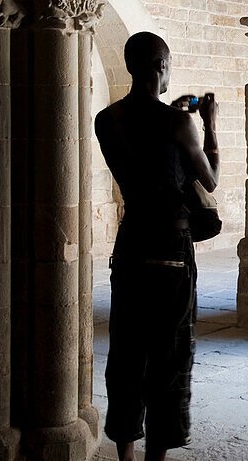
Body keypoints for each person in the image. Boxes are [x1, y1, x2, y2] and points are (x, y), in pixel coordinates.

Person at [94, 32, 219, 461]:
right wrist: (210, 126)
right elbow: (210, 179)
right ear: (160, 66)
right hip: (170, 248)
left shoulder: (106, 120)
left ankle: (125, 452)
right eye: (167, 64)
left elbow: (142, 168)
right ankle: (156, 457)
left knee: (127, 349)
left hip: (131, 246)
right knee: (170, 354)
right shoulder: (179, 122)